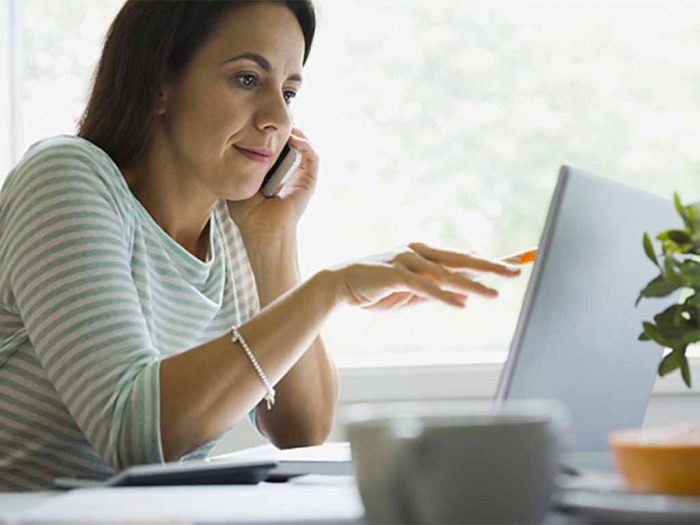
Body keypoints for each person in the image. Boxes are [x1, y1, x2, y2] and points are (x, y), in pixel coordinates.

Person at [0, 0, 521, 491]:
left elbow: (303, 428)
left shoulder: (231, 225)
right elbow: (135, 435)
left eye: (289, 92)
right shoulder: (65, 178)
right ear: (160, 82)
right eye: (247, 80)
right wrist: (329, 290)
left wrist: (274, 243)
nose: (278, 117)